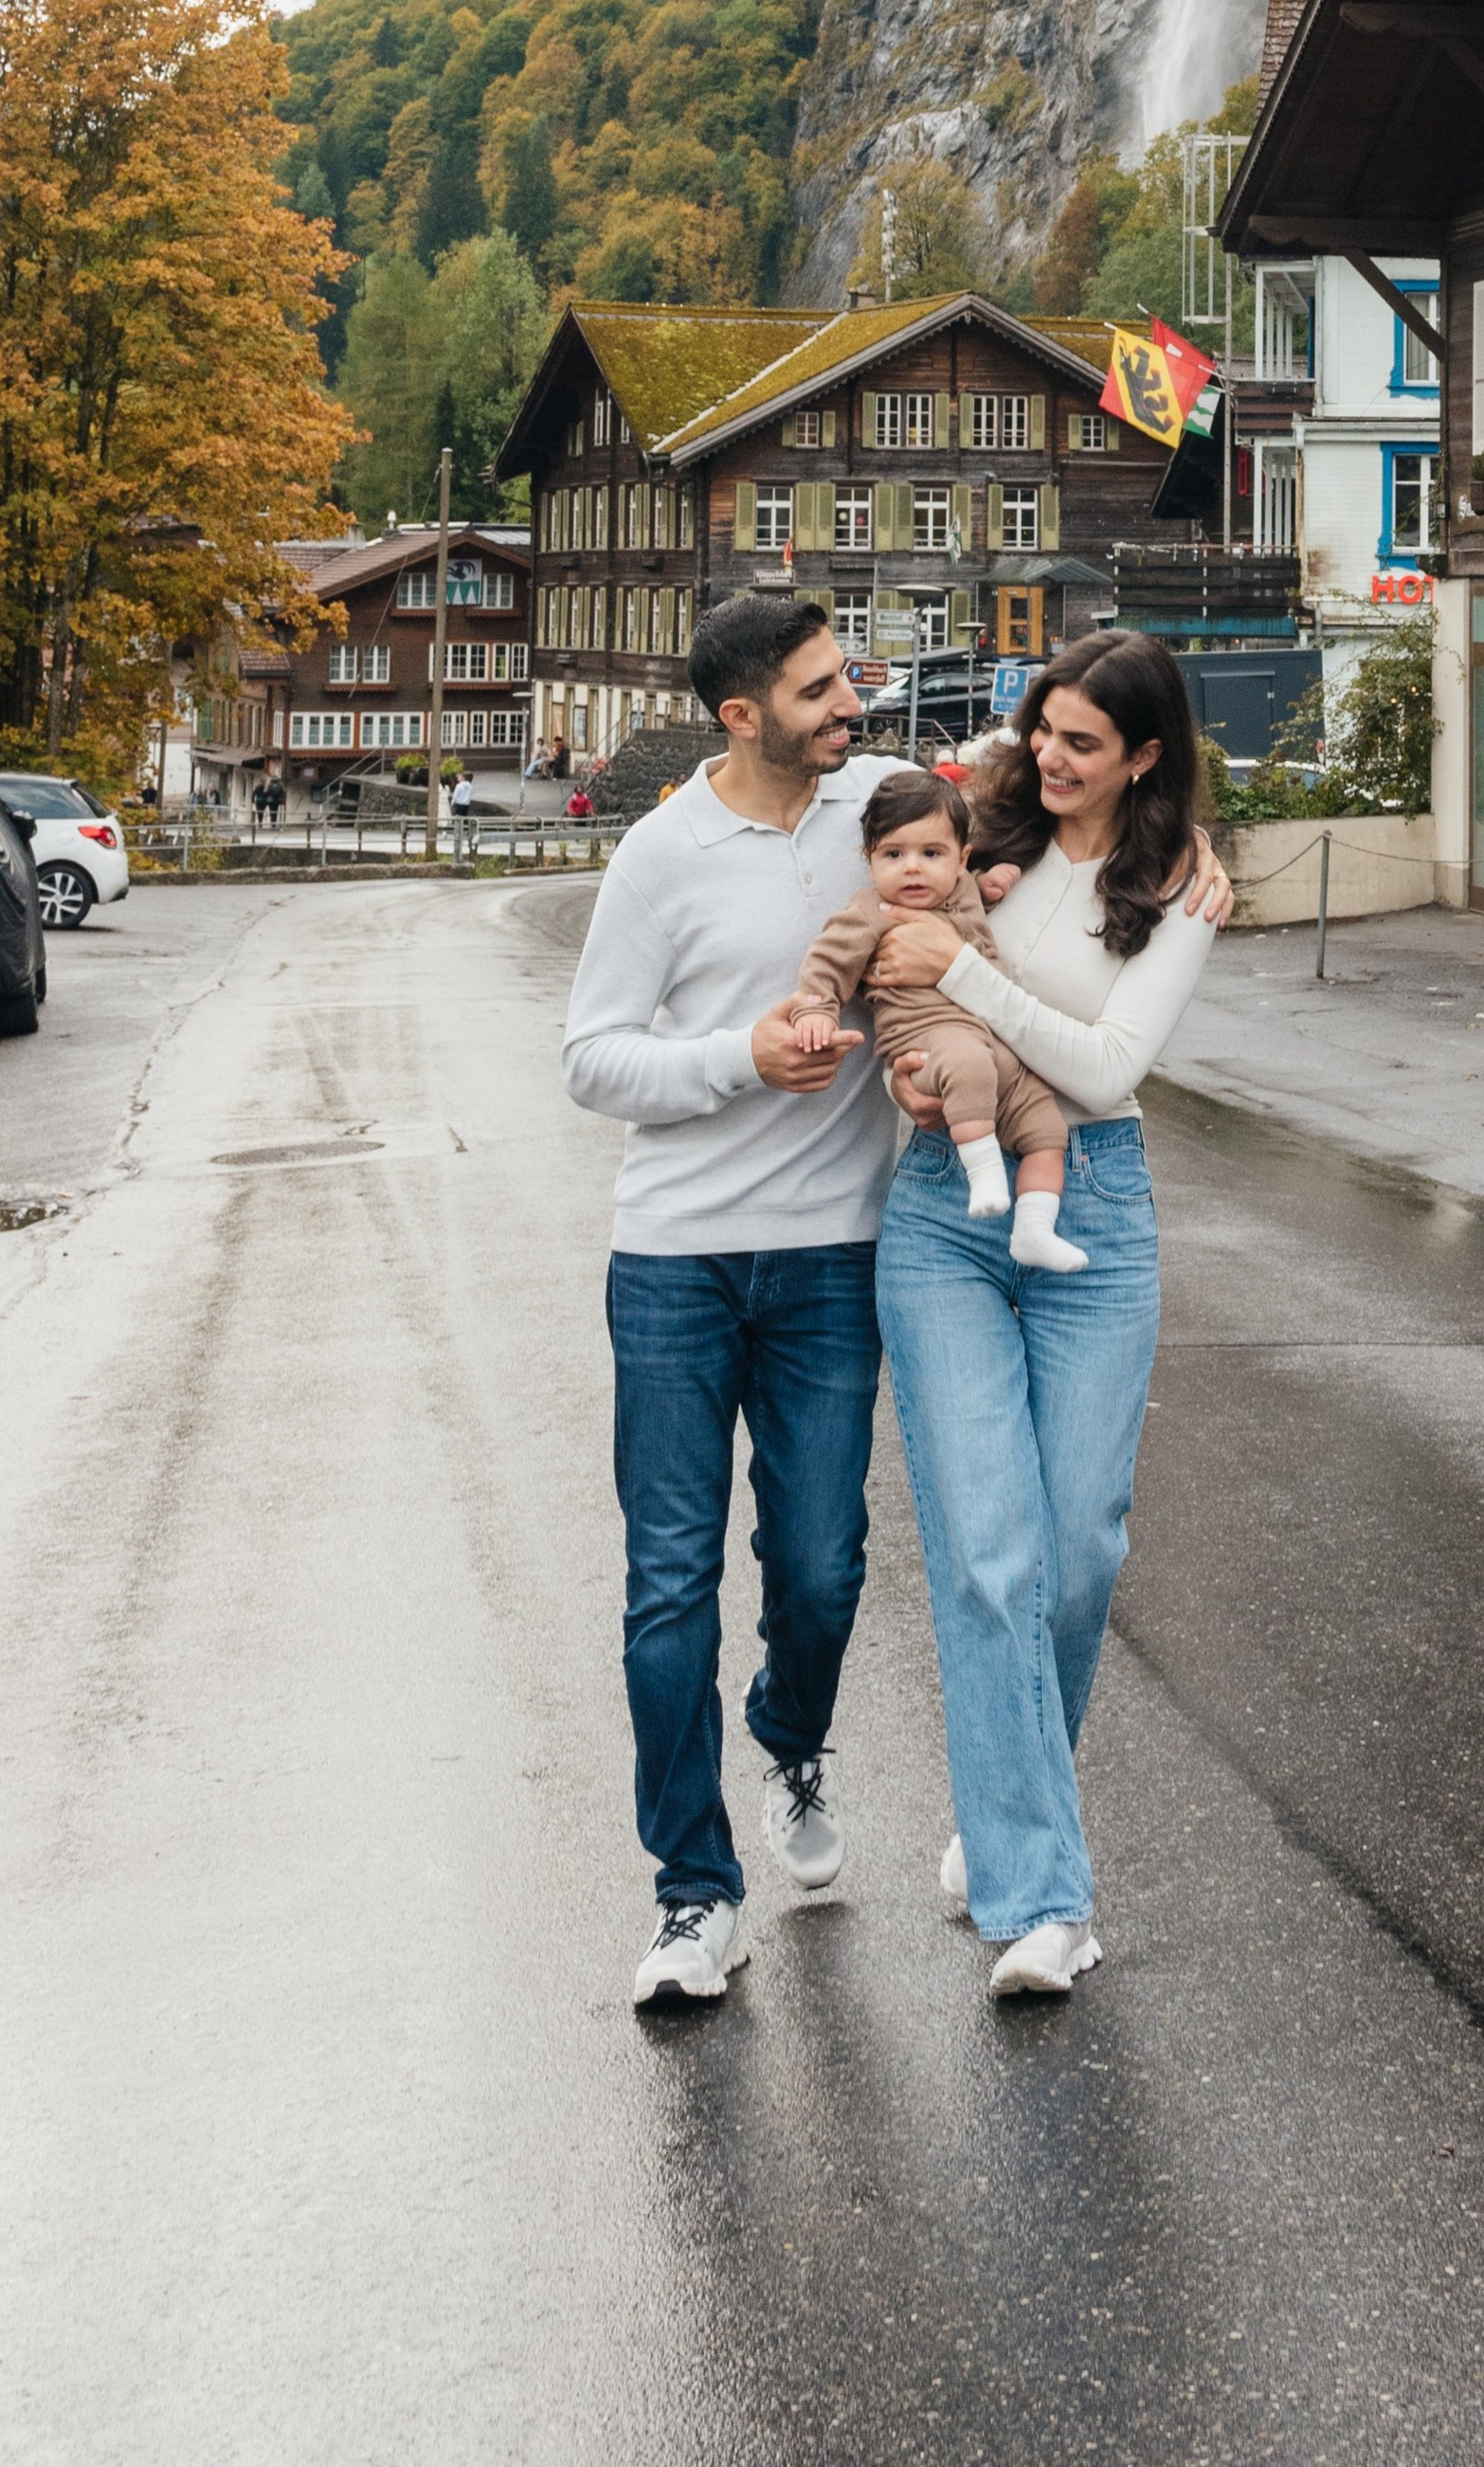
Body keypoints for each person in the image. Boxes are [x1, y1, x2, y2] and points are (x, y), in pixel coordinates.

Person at [864, 630, 1221, 2003]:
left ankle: (1007, 1802)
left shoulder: (1179, 877)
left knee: (1079, 1548)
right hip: (944, 1217)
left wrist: (963, 983)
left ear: (1142, 754)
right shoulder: (967, 832)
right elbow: (878, 959)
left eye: (1083, 740)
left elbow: (1111, 1060)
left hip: (1102, 1199)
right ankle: (1043, 1898)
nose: (1050, 756)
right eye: (1042, 728)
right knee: (991, 1550)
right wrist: (910, 1060)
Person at [561, 596, 906, 2013]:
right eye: (822, 687)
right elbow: (592, 1058)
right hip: (677, 1264)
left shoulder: (880, 812)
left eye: (848, 675)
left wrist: (1181, 838)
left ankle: (790, 1729)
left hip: (832, 1256)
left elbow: (1062, 795)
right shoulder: (661, 854)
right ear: (741, 712)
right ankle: (693, 1894)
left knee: (821, 1566)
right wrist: (738, 1057)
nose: (851, 701)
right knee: (668, 1583)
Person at [784, 770, 1080, 1269]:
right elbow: (827, 964)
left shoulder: (963, 888)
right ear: (869, 859)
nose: (913, 870)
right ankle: (983, 1173)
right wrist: (814, 1009)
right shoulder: (870, 911)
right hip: (928, 1045)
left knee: (1047, 1127)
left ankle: (1034, 1227)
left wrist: (990, 883)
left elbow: (969, 905)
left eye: (931, 854)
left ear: (961, 859)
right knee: (967, 1065)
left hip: (995, 1045)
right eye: (893, 855)